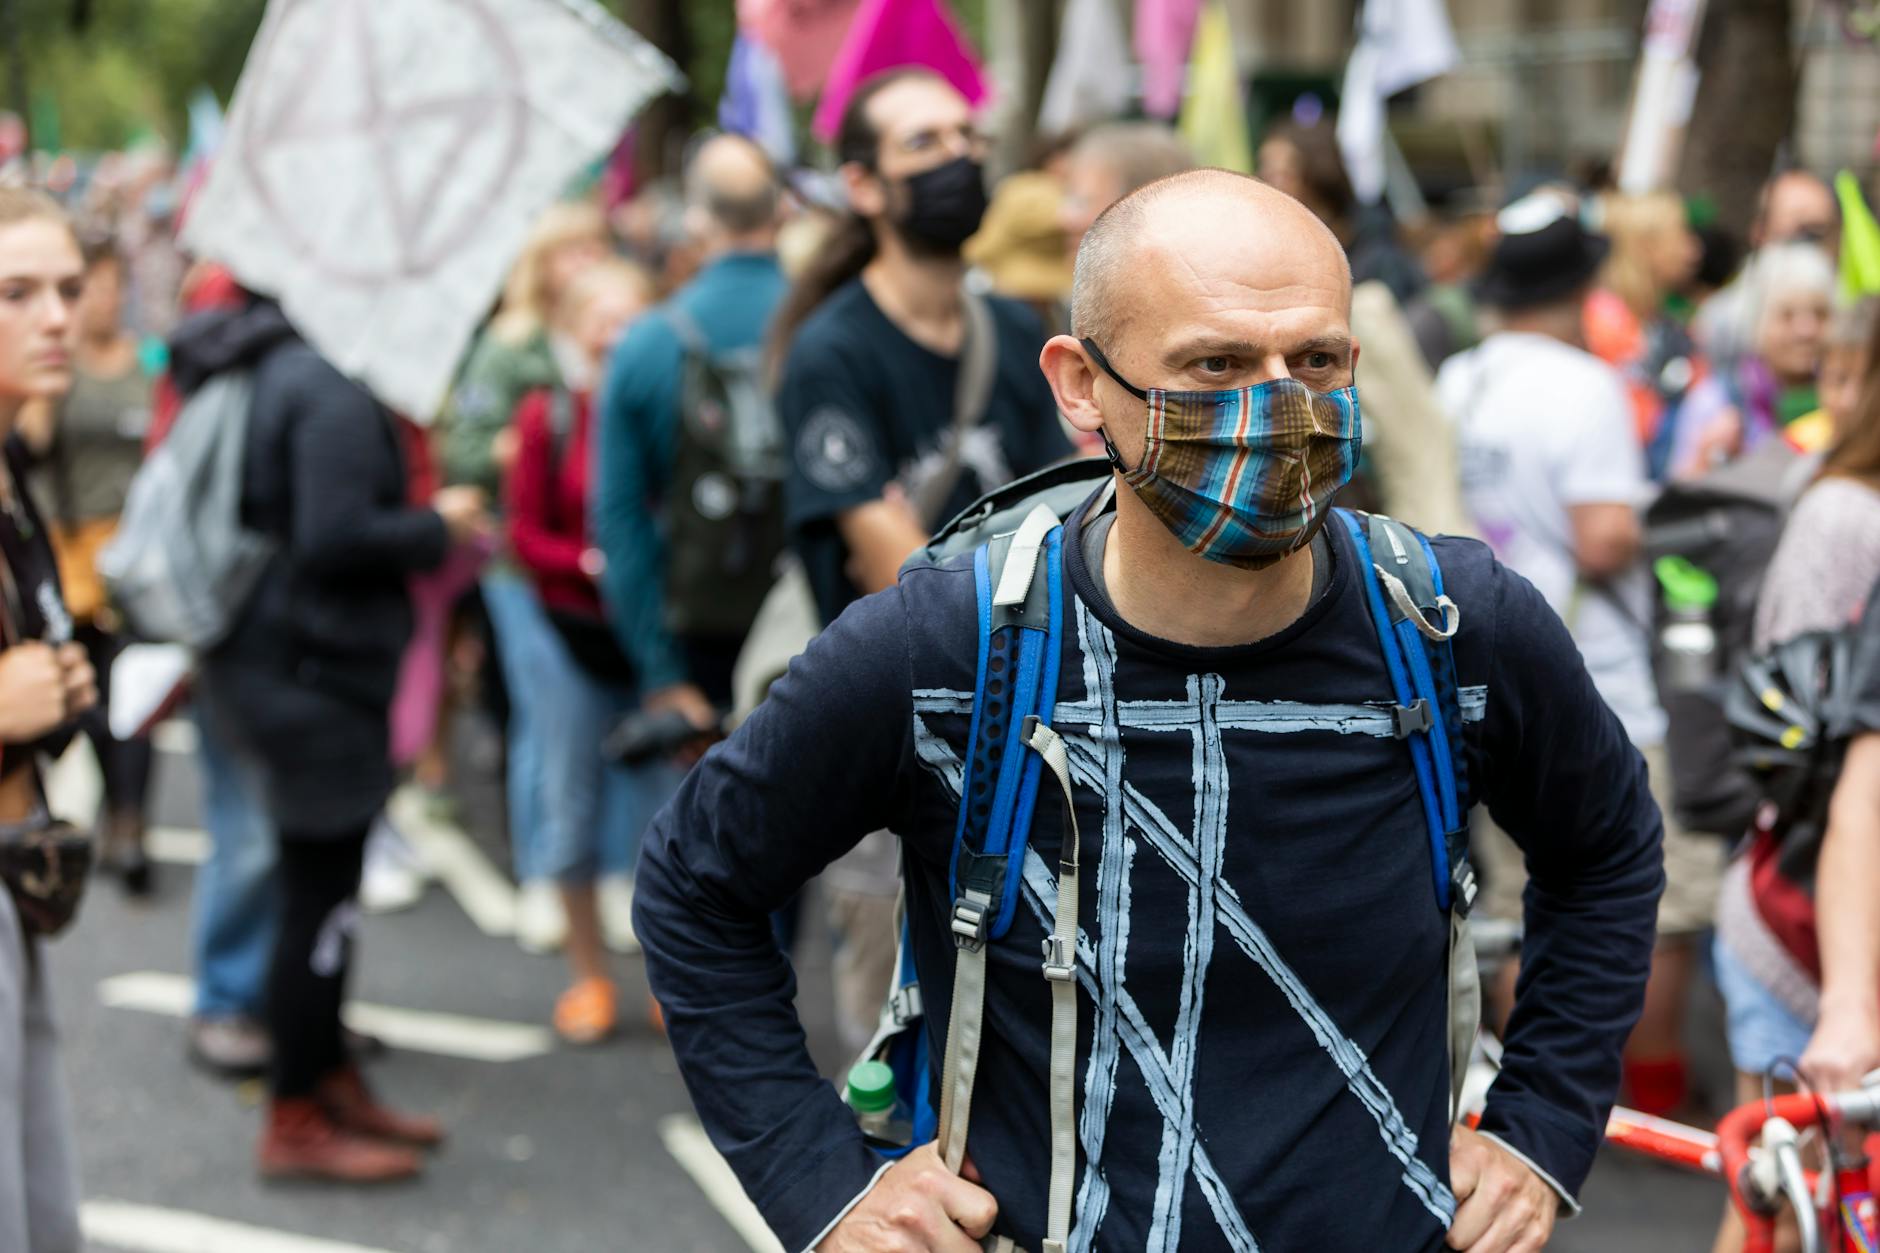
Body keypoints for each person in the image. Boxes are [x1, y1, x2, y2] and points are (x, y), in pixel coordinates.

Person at [637, 168, 1663, 1252]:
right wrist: (827, 1189)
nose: (1279, 408)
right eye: (1215, 364)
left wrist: (1537, 1130)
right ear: (1080, 386)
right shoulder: (945, 645)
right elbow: (694, 882)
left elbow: (1605, 846)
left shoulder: (1459, 627)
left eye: (1314, 360)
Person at [767, 69, 1073, 1047]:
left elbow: (1074, 522)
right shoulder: (831, 353)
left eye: (966, 137)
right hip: (888, 740)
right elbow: (910, 579)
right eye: (923, 144)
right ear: (862, 184)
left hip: (1023, 726)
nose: (958, 159)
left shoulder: (1013, 332)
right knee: (893, 1040)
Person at [197, 294, 490, 1181]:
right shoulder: (323, 381)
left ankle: (326, 1076)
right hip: (308, 680)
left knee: (327, 900)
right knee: (317, 903)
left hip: (303, 672)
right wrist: (443, 525)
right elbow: (331, 534)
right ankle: (295, 1115)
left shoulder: (301, 365)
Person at [1439, 193, 1719, 1122]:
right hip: (1595, 679)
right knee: (1653, 896)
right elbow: (1602, 540)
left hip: (1478, 675)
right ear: (1581, 282)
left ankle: (1536, 1100)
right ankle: (1650, 1108)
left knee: (1525, 897)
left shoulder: (1462, 377)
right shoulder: (1582, 383)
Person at [1708, 301, 1880, 1253]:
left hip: (1818, 896)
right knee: (1772, 1194)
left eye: (1848, 373)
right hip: (1799, 903)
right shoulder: (1842, 510)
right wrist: (1852, 996)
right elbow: (1795, 717)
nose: (1832, 393)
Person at [441, 200, 615, 954]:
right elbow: (465, 449)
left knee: (596, 724)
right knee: (544, 721)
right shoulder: (511, 349)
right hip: (522, 562)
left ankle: (598, 866)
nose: (578, 264)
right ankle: (544, 872)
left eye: (590, 249)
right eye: (564, 252)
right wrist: (519, 444)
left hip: (596, 567)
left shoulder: (611, 330)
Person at [506, 258, 658, 1043]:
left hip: (650, 635)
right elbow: (524, 531)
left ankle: (672, 978)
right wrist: (592, 564)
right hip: (572, 632)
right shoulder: (549, 415)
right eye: (600, 316)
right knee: (569, 804)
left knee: (670, 813)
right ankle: (588, 976)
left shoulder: (664, 407)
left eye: (628, 315)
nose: (614, 333)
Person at [594, 131, 791, 726]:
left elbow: (619, 520)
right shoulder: (832, 327)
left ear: (697, 219)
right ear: (782, 209)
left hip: (696, 637)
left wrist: (662, 675)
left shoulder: (647, 343)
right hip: (816, 632)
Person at [0, 186, 99, 1253]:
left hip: (19, 874)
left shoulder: (14, 462)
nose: (58, 316)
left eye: (67, 288)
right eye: (17, 293)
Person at [28, 237, 158, 894]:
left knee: (130, 700)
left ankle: (129, 822)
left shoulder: (146, 363)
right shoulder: (54, 366)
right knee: (77, 702)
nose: (95, 303)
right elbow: (32, 446)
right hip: (66, 549)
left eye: (102, 288)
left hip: (128, 552)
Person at [1672, 242, 1835, 480]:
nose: (1806, 330)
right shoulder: (1719, 400)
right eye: (1787, 316)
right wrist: (1705, 459)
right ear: (1758, 321)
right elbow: (1677, 497)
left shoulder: (1849, 399)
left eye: (1820, 314)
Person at [1583, 192, 1705, 478]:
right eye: (1682, 236)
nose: (1693, 250)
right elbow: (1636, 431)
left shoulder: (1652, 318)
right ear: (1645, 246)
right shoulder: (1606, 324)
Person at [1258, 116, 1425, 306]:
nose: (1269, 185)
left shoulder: (1377, 249)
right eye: (1264, 173)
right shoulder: (1264, 244)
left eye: (1283, 175)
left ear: (1316, 177)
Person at [1693, 170, 1839, 373]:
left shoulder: (1847, 307)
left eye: (1822, 229)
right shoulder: (1721, 322)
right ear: (1760, 231)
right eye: (1802, 230)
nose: (1806, 330)